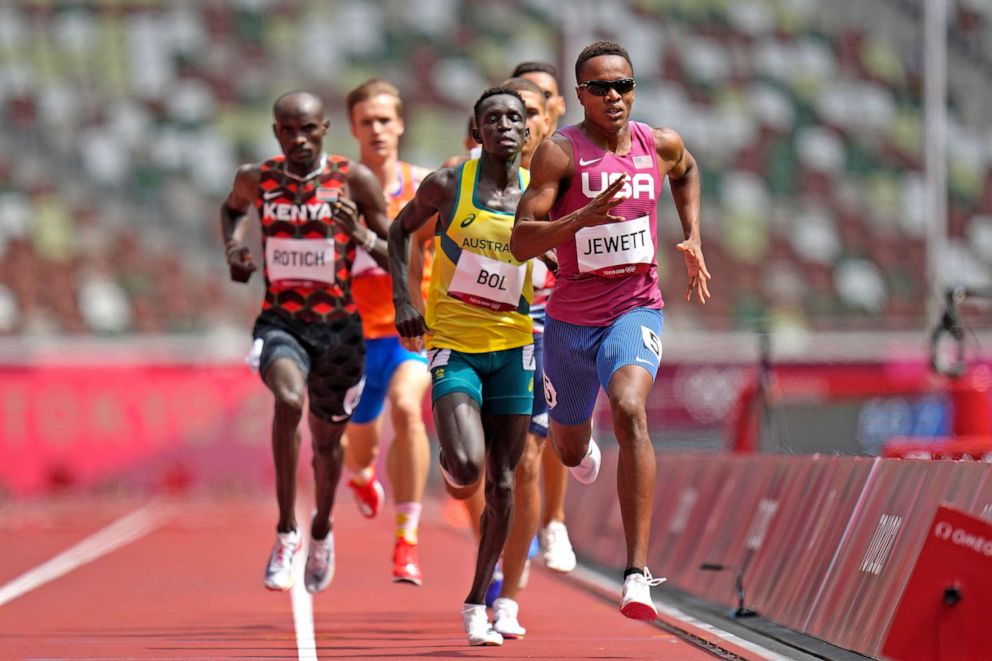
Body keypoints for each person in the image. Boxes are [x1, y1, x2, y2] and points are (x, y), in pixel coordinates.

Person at [510, 41, 712, 620]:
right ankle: (581, 443)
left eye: (623, 85)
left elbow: (689, 169)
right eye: (600, 89)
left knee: (630, 407)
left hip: (635, 308)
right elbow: (522, 239)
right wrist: (581, 219)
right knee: (567, 449)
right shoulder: (558, 154)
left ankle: (636, 574)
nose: (614, 97)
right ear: (581, 96)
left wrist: (692, 233)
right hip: (570, 322)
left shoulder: (660, 144)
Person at [220, 90, 391, 595]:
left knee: (326, 446)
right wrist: (233, 246)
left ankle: (321, 528)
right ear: (276, 132)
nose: (298, 139)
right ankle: (285, 531)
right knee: (288, 399)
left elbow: (393, 253)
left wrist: (359, 236)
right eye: (288, 130)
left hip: (340, 333)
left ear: (324, 130)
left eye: (308, 130)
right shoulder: (257, 179)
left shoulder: (352, 180)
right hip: (281, 322)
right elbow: (230, 211)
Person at [389, 87, 534, 646]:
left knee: (502, 483)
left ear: (527, 131)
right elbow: (399, 232)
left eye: (514, 118)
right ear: (476, 129)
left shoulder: (538, 195)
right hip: (454, 344)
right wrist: (406, 301)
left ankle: (478, 601)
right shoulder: (449, 186)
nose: (503, 125)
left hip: (515, 347)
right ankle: (454, 464)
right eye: (492, 117)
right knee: (471, 468)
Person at [341, 78, 433, 586]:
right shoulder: (338, 193)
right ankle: (360, 477)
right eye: (366, 122)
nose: (377, 129)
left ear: (400, 124)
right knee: (361, 449)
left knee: (406, 407)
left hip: (409, 334)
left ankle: (406, 541)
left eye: (384, 120)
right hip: (354, 342)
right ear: (353, 128)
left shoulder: (425, 187)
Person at [509, 60, 578, 577]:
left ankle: (552, 521)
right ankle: (517, 534)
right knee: (514, 449)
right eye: (529, 104)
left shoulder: (571, 164)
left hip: (560, 318)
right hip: (507, 321)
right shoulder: (478, 169)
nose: (539, 111)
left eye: (548, 101)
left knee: (554, 429)